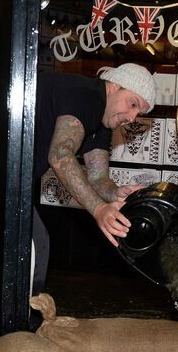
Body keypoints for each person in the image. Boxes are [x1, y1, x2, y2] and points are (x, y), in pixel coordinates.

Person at [32, 63, 156, 295]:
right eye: (133, 104)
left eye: (138, 113)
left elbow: (99, 178)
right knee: (33, 252)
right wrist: (99, 209)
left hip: (8, 183)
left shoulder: (103, 119)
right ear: (114, 86)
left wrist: (115, 193)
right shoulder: (89, 96)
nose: (131, 117)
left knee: (36, 250)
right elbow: (60, 155)